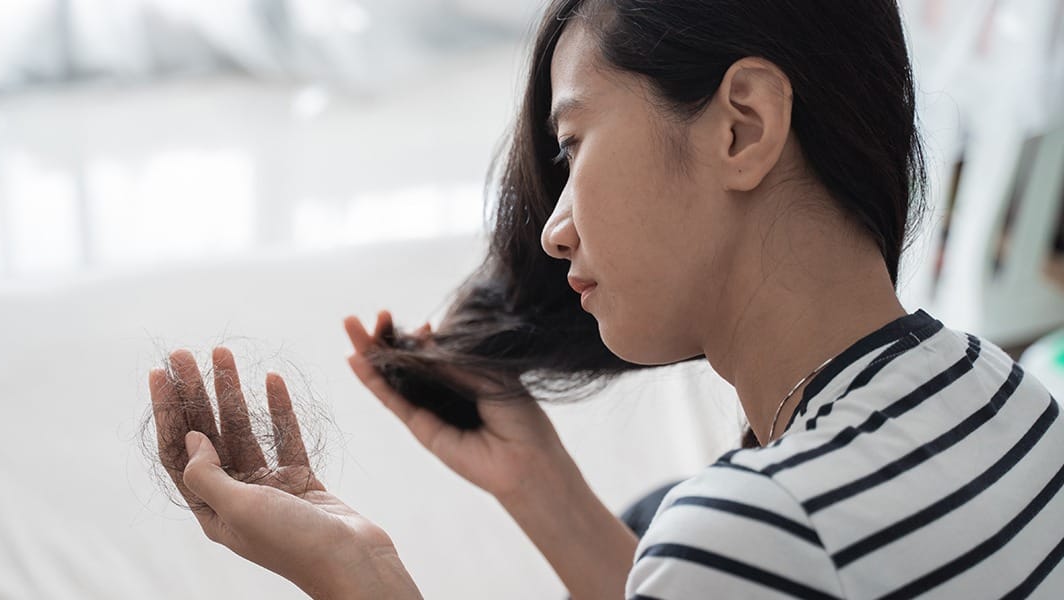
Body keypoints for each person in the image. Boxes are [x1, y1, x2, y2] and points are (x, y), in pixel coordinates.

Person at [148, 0, 1064, 598]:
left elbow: (749, 564)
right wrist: (537, 482)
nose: (553, 231)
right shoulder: (1010, 398)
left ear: (742, 125)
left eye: (574, 142)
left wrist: (356, 577)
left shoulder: (756, 531)